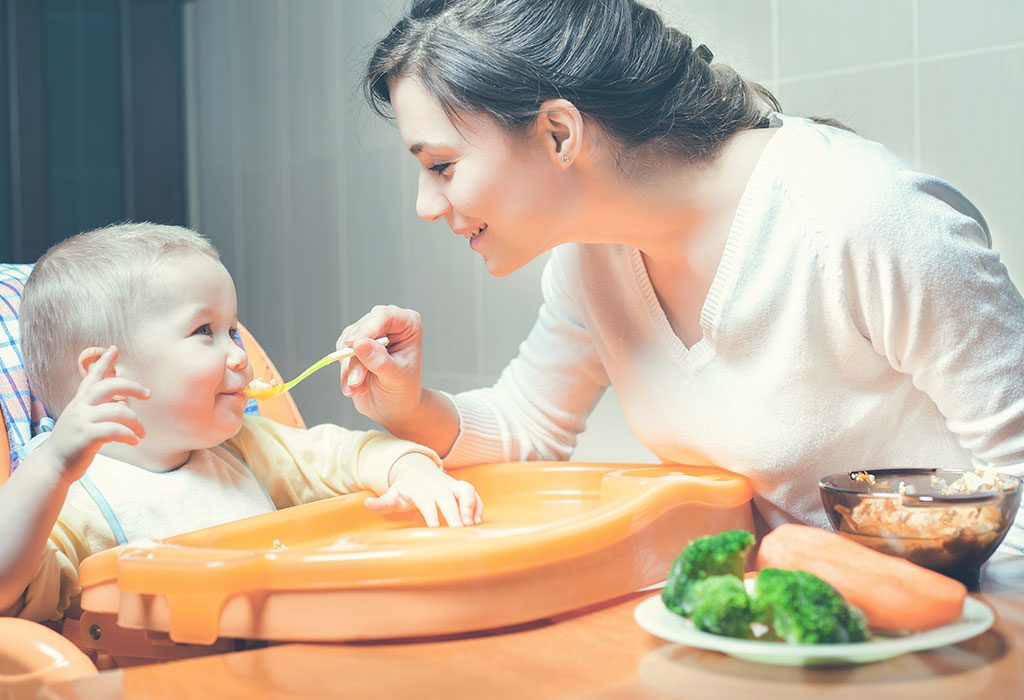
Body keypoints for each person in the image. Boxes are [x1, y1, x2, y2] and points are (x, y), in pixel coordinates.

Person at [336, 0, 1024, 554]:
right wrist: (407, 405)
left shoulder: (858, 216)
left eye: (442, 166)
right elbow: (526, 428)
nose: (427, 207)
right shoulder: (592, 259)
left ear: (557, 134)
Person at [0, 223, 482, 622]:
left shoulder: (245, 446)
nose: (238, 353)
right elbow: (7, 589)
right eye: (204, 331)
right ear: (108, 373)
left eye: (233, 329)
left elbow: (349, 455)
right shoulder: (67, 501)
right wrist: (55, 468)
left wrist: (412, 472)